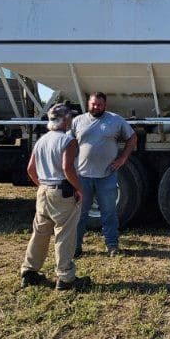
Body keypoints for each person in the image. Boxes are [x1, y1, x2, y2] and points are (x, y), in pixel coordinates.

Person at [20, 104, 91, 291]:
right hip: (62, 192)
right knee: (65, 234)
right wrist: (80, 188)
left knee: (40, 233)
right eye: (70, 117)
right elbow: (68, 169)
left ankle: (29, 271)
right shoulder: (68, 141)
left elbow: (30, 169)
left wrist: (42, 184)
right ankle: (66, 277)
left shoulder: (42, 141)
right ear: (65, 119)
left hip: (43, 191)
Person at [72, 92, 138, 257]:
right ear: (88, 103)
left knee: (109, 213)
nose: (96, 107)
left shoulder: (115, 120)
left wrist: (123, 158)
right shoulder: (77, 121)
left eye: (99, 104)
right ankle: (75, 247)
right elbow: (69, 144)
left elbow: (132, 138)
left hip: (106, 176)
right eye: (93, 104)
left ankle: (112, 245)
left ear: (105, 105)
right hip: (82, 177)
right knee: (80, 214)